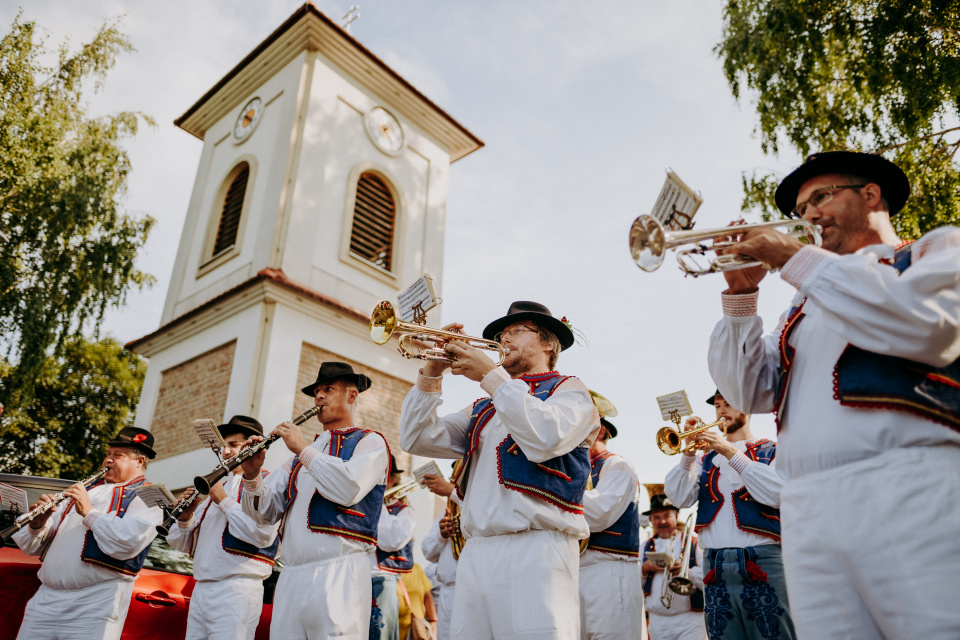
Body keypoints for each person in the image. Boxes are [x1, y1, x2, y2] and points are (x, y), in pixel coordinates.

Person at [707, 150, 960, 639]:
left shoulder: (934, 250)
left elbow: (926, 328)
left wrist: (790, 258)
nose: (809, 216)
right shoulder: (805, 300)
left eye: (821, 197)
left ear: (871, 195)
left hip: (909, 483)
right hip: (807, 504)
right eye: (802, 210)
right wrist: (740, 298)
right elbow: (748, 392)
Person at [400, 301, 598, 639]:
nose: (504, 338)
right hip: (477, 552)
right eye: (502, 333)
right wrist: (432, 371)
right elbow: (416, 437)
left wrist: (491, 377)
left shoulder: (569, 390)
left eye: (517, 330)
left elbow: (545, 436)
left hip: (537, 548)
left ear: (548, 343)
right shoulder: (484, 407)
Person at [237, 361, 390, 639]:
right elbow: (263, 514)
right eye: (316, 391)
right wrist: (252, 473)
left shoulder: (371, 442)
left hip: (339, 571)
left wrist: (302, 449)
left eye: (328, 389)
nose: (319, 396)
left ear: (352, 395)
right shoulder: (299, 457)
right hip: (292, 573)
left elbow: (347, 488)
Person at [665, 391, 795, 640]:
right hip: (716, 566)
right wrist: (689, 453)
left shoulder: (772, 450)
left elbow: (776, 493)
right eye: (717, 405)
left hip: (763, 562)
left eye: (729, 404)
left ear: (746, 407)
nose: (722, 411)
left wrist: (728, 450)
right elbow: (679, 498)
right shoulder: (704, 459)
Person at [12, 427, 163, 640]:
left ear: (139, 461)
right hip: (45, 600)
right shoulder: (88, 488)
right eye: (108, 454)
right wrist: (37, 524)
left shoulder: (149, 495)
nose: (108, 460)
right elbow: (30, 546)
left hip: (95, 603)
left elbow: (129, 542)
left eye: (117, 455)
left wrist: (88, 512)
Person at [166, 415, 281, 640]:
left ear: (252, 446)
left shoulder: (267, 482)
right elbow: (179, 544)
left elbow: (261, 535)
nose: (226, 452)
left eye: (234, 445)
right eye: (224, 446)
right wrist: (185, 518)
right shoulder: (217, 485)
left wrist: (223, 500)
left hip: (237, 588)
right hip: (201, 587)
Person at [579, 416, 646, 640]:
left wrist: (558, 485)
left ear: (600, 431)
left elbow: (599, 514)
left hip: (609, 569)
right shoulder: (579, 467)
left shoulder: (617, 466)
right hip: (577, 570)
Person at [640, 495, 706, 640]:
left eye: (667, 516)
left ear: (676, 516)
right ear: (651, 520)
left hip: (691, 621)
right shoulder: (643, 547)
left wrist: (687, 572)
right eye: (656, 517)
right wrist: (644, 569)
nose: (662, 521)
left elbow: (710, 579)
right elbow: (631, 585)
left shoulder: (695, 542)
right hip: (657, 621)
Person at [371, 456, 418, 640]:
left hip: (381, 579)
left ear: (390, 480)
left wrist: (379, 505)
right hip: (356, 576)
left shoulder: (405, 511)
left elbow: (389, 541)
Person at [420, 467, 462, 640]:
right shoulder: (445, 514)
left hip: (465, 590)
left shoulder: (472, 506)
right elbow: (427, 552)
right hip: (446, 590)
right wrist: (441, 535)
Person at [397, 562, 439, 640]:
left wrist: (434, 621)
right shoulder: (384, 572)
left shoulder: (416, 568)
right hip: (397, 631)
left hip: (417, 630)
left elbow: (427, 596)